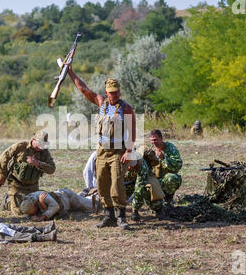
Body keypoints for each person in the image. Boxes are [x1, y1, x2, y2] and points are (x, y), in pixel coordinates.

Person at [68, 66, 136, 230]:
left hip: (117, 152)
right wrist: (69, 71)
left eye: (117, 92)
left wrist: (129, 151)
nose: (115, 95)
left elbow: (133, 130)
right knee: (101, 183)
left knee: (117, 184)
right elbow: (82, 88)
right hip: (102, 151)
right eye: (112, 92)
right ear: (106, 93)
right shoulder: (100, 102)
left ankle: (121, 218)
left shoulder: (125, 108)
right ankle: (109, 216)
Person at [0, 130, 56, 216]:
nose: (41, 146)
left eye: (44, 144)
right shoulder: (21, 147)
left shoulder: (45, 153)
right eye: (39, 143)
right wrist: (2, 176)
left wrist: (38, 163)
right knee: (21, 212)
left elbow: (52, 169)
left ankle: (17, 200)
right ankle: (7, 201)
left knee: (36, 211)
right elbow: (4, 157)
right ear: (33, 139)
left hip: (33, 186)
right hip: (16, 184)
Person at [144, 129, 183, 203]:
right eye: (152, 140)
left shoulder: (170, 148)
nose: (154, 143)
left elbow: (178, 165)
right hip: (155, 180)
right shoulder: (150, 151)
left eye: (155, 140)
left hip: (166, 179)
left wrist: (164, 158)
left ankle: (168, 197)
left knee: (171, 178)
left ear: (161, 138)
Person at [130, 150, 167, 222]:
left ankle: (158, 208)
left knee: (150, 188)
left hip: (145, 178)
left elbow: (139, 186)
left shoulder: (141, 163)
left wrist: (134, 209)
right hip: (127, 180)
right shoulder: (115, 159)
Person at [20, 189, 102, 221]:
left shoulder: (42, 196)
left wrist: (42, 216)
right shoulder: (27, 203)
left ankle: (98, 195)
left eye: (32, 212)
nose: (32, 214)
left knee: (91, 207)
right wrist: (31, 217)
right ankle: (83, 193)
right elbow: (28, 215)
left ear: (34, 205)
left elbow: (55, 206)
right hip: (65, 208)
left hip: (67, 198)